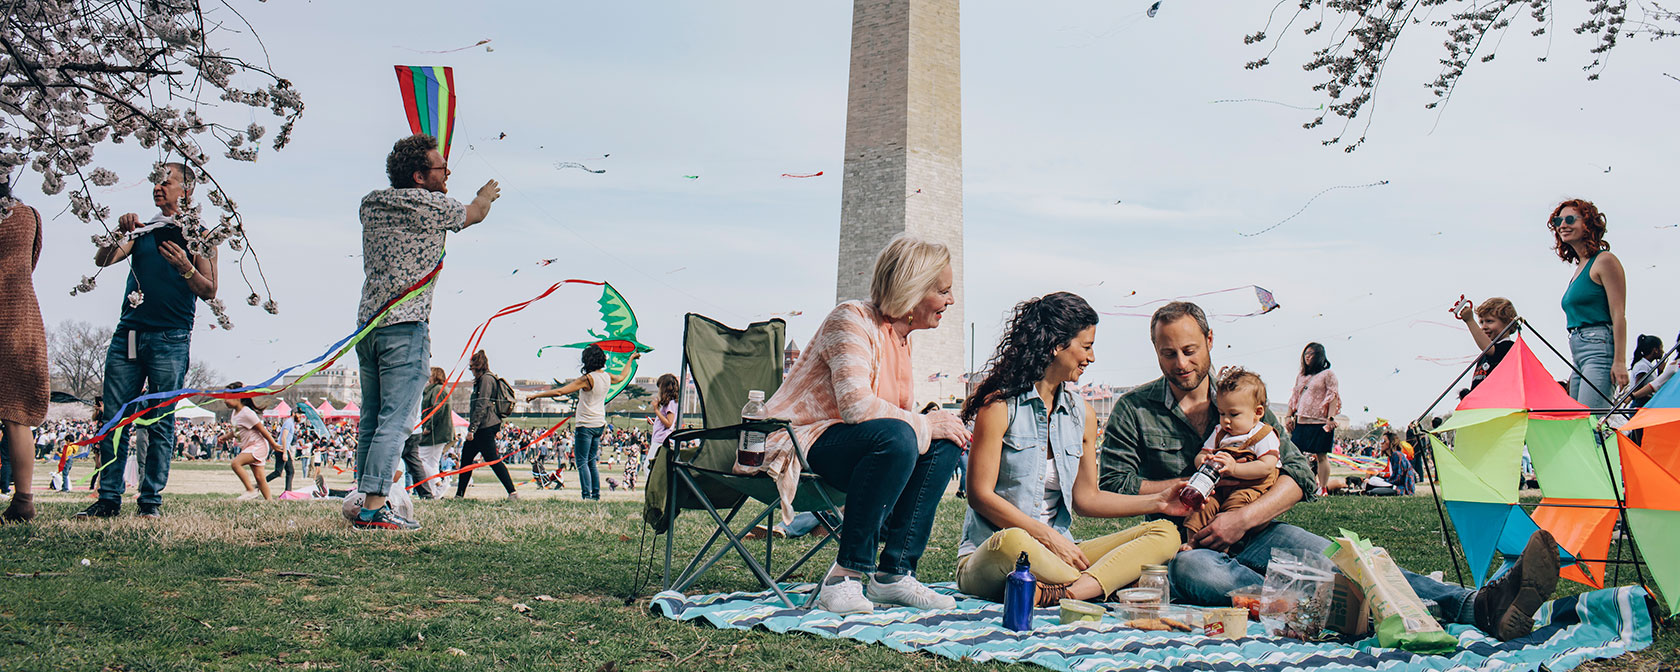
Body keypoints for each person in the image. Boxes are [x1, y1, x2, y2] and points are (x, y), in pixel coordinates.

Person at [1099, 301, 1560, 641]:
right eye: (1168, 354)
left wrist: (1244, 518)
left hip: (1255, 526)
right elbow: (1114, 487)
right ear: (1155, 352)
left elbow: (1298, 474)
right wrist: (1173, 493)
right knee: (1206, 574)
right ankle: (1352, 614)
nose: (1181, 363)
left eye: (1189, 350)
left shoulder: (1245, 397)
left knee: (1341, 559)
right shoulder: (1134, 408)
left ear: (1210, 341)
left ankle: (1477, 605)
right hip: (1182, 542)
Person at [756, 234, 971, 615]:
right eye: (944, 291)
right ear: (914, 289)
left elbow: (890, 418)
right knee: (903, 434)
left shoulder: (901, 338)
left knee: (945, 442)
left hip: (855, 446)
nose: (950, 301)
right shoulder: (851, 318)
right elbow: (856, 407)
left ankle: (894, 574)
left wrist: (933, 427)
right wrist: (924, 423)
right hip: (800, 440)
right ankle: (845, 575)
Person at [957, 292, 1182, 605]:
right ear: (1055, 345)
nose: (1092, 358)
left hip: (1059, 556)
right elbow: (980, 496)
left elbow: (1087, 499)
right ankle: (1102, 583)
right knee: (1012, 541)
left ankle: (1063, 593)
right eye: (1086, 346)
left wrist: (1158, 502)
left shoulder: (1083, 415)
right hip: (995, 554)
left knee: (1164, 534)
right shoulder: (999, 406)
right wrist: (1046, 536)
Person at [351, 134, 500, 530]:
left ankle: (359, 498)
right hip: (405, 328)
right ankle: (374, 508)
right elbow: (475, 213)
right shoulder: (430, 204)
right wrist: (486, 194)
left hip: (367, 327)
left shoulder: (371, 203)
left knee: (371, 418)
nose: (447, 171)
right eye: (440, 167)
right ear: (419, 176)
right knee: (397, 421)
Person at [77, 162, 218, 520]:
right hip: (130, 334)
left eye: (166, 182)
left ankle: (150, 501)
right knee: (114, 418)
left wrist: (186, 266)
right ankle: (108, 498)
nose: (158, 187)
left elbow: (210, 289)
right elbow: (104, 259)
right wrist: (116, 233)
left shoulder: (201, 234)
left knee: (160, 419)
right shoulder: (142, 231)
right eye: (156, 181)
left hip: (170, 338)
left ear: (186, 191)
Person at [526, 345, 640, 501]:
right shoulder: (607, 376)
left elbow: (560, 391)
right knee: (591, 461)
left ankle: (586, 495)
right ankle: (596, 494)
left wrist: (537, 395)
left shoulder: (587, 379)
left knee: (581, 461)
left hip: (585, 424)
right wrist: (631, 360)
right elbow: (622, 377)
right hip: (599, 424)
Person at [1183, 368, 1280, 540]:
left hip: (1250, 487)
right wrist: (1203, 460)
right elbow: (1202, 453)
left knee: (1235, 510)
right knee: (1203, 506)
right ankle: (1193, 541)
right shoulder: (1220, 433)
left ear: (1257, 413)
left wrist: (1235, 468)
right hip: (1220, 487)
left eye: (1234, 414)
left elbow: (1267, 466)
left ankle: (1226, 545)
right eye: (1222, 413)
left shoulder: (1263, 434)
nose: (1226, 420)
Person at [1550, 199, 1628, 410]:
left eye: (1569, 219)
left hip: (1598, 347)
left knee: (1590, 421)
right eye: (1558, 220)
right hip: (1578, 351)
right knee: (1577, 423)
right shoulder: (1580, 268)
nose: (1562, 225)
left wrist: (1620, 361)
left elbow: (1618, 313)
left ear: (1588, 224)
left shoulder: (1605, 261)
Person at [0, 182, 44, 523]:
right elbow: (30, 262)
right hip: (22, 316)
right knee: (17, 416)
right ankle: (24, 500)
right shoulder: (28, 215)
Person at [457, 351, 518, 500]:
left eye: (471, 367)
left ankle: (512, 491)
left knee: (492, 459)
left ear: (478, 366)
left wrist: (472, 429)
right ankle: (459, 495)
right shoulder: (484, 379)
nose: (470, 370)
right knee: (467, 459)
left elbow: (482, 405)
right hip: (484, 425)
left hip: (484, 426)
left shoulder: (486, 380)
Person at [1286, 342, 1340, 495]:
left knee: (1321, 455)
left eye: (1311, 354)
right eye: (1306, 354)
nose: (1308, 357)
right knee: (1295, 452)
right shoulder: (1301, 376)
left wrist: (1331, 417)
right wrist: (1289, 415)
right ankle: (1298, 484)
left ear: (1319, 356)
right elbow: (1294, 397)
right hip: (1302, 420)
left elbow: (1332, 396)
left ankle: (1322, 488)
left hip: (1320, 421)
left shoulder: (1328, 374)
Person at [221, 387, 280, 501]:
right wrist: (225, 437)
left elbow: (262, 429)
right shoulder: (235, 413)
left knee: (236, 464)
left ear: (237, 398)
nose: (224, 401)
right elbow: (237, 431)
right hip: (249, 446)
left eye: (227, 398)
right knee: (260, 478)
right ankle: (270, 502)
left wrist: (273, 443)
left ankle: (250, 490)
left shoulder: (247, 413)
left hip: (258, 446)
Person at [1456, 297, 1519, 390]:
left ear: (1508, 323)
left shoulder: (1509, 348)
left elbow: (1490, 349)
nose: (1483, 327)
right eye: (1481, 322)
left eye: (1489, 321)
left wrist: (1470, 321)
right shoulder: (1483, 357)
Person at [410, 367, 454, 499]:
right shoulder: (439, 390)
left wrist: (428, 426)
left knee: (419, 459)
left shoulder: (437, 390)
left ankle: (438, 482)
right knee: (431, 462)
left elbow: (437, 409)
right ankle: (434, 490)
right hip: (440, 431)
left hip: (436, 432)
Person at [266, 408, 300, 493]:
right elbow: (283, 437)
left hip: (285, 449)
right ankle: (259, 484)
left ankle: (288, 492)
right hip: (282, 449)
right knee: (278, 472)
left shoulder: (291, 423)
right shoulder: (288, 423)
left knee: (290, 471)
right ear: (294, 413)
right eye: (299, 414)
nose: (300, 417)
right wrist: (285, 453)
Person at [1628, 334, 1665, 408]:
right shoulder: (1643, 366)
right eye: (1661, 348)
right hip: (1641, 404)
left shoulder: (1648, 366)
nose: (1663, 351)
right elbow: (1637, 389)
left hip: (1644, 404)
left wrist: (1660, 372)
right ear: (1655, 350)